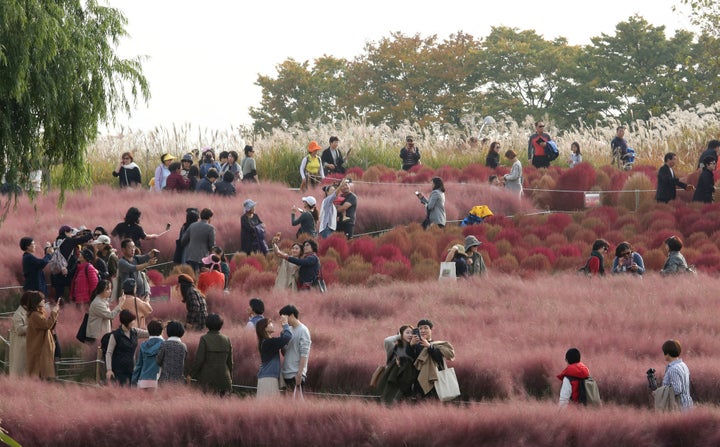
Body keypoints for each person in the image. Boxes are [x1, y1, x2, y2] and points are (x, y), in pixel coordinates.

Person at [188, 313, 233, 395]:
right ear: (221, 324)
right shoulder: (227, 339)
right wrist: (230, 378)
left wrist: (191, 374)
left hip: (207, 379)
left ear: (207, 324)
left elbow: (199, 360)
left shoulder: (204, 339)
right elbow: (230, 362)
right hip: (224, 379)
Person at [409, 319, 455, 399]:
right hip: (419, 381)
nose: (423, 330)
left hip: (435, 381)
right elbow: (411, 361)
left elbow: (439, 359)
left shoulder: (438, 344)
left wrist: (429, 346)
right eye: (420, 328)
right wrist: (410, 346)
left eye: (426, 328)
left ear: (431, 330)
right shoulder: (416, 345)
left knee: (433, 403)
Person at [376, 325, 419, 403]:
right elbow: (387, 341)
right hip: (392, 377)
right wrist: (399, 336)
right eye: (407, 332)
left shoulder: (415, 348)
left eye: (412, 333)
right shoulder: (394, 348)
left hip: (407, 379)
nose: (410, 335)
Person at [105, 310, 149, 386]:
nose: (134, 322)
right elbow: (109, 353)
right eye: (132, 321)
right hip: (119, 370)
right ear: (126, 322)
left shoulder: (135, 332)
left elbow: (149, 333)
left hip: (132, 368)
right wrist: (109, 369)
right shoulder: (116, 335)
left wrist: (159, 327)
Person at [50, 225, 93, 301]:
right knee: (69, 297)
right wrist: (91, 234)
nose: (71, 234)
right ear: (66, 232)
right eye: (70, 232)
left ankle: (58, 310)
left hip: (56, 274)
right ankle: (69, 310)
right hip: (67, 274)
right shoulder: (68, 241)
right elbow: (83, 239)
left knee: (59, 297)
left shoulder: (54, 243)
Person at [255, 315, 292, 398]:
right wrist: (285, 324)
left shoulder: (267, 342)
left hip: (267, 377)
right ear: (265, 328)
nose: (272, 324)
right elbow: (287, 337)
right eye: (270, 323)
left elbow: (282, 343)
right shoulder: (268, 342)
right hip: (268, 379)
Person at [25, 291, 60, 379]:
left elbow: (49, 326)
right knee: (40, 375)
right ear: (36, 301)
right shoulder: (35, 315)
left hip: (41, 348)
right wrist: (54, 312)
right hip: (39, 350)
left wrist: (55, 312)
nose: (44, 301)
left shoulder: (38, 314)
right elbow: (47, 325)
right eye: (42, 299)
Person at [279, 305, 311, 391]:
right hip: (286, 372)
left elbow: (304, 353)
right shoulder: (288, 330)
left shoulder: (303, 330)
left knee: (295, 402)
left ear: (292, 315)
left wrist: (300, 374)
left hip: (295, 374)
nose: (283, 321)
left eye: (285, 318)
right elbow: (285, 353)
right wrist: (282, 338)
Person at [660, 339, 693, 411]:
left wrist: (661, 392)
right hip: (688, 404)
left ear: (667, 354)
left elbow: (677, 389)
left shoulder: (673, 369)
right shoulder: (683, 365)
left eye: (664, 352)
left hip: (679, 407)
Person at [131, 319, 164, 390]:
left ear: (148, 331)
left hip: (142, 380)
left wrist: (133, 382)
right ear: (161, 331)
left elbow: (139, 365)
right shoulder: (164, 344)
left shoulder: (143, 345)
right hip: (156, 380)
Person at [181, 207, 216, 272]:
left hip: (190, 256)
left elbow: (183, 240)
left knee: (192, 276)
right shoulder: (210, 228)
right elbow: (212, 245)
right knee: (201, 277)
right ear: (209, 217)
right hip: (203, 258)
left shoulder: (192, 225)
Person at [157, 320, 187, 385]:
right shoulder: (183, 346)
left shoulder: (164, 344)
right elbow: (184, 362)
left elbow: (158, 361)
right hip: (179, 381)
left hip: (165, 380)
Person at [9, 292, 30, 376]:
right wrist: (33, 325)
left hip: (27, 345)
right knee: (19, 371)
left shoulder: (28, 312)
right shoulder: (18, 314)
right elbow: (19, 330)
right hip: (20, 347)